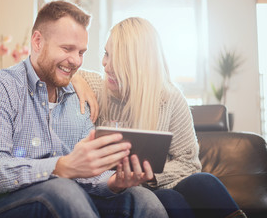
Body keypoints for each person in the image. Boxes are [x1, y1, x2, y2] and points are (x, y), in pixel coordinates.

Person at [0, 0, 169, 218]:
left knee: (140, 198)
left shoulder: (77, 99)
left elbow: (84, 176)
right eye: (67, 49)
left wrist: (115, 182)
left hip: (58, 198)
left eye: (81, 52)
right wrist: (59, 167)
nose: (75, 61)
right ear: (37, 42)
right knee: (63, 190)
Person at [72, 17, 247, 218]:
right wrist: (77, 78)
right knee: (170, 200)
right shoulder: (95, 86)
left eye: (116, 58)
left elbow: (189, 163)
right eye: (106, 53)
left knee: (205, 181)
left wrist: (150, 176)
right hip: (119, 190)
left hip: (161, 182)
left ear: (139, 64)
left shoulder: (169, 98)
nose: (105, 64)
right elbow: (58, 68)